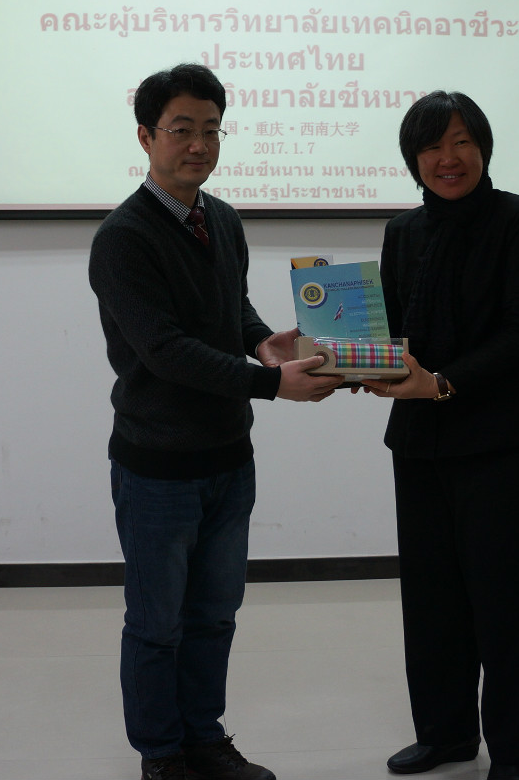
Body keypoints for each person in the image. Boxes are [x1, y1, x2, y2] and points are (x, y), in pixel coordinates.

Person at [89, 63, 340, 780]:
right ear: (146, 137)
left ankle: (204, 736)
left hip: (230, 458)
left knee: (214, 616)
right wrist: (271, 383)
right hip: (157, 466)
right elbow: (165, 350)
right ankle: (162, 753)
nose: (198, 144)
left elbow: (233, 306)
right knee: (156, 623)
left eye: (210, 130)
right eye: (181, 130)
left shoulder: (222, 218)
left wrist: (264, 342)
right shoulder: (123, 237)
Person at [360, 91, 519, 780]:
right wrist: (346, 355)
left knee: (502, 599)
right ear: (413, 158)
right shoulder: (403, 231)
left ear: (484, 148)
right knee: (431, 596)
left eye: (462, 141)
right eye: (432, 145)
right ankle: (445, 733)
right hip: (420, 440)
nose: (448, 158)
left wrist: (442, 382)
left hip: (501, 438)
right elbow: (391, 330)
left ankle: (512, 749)